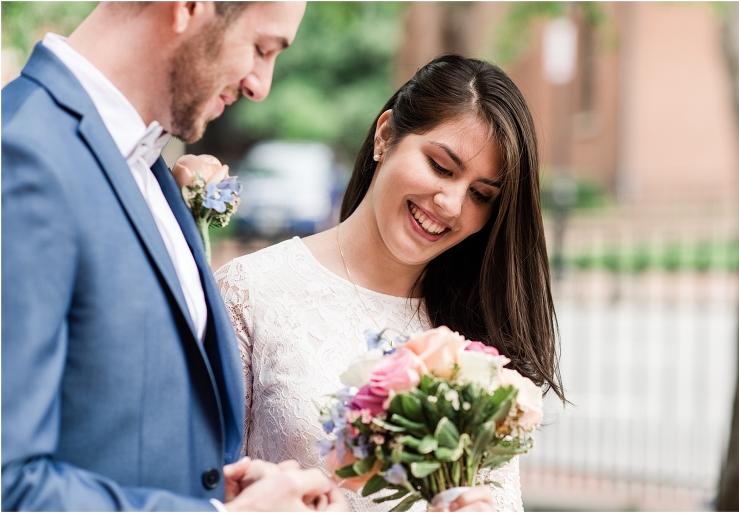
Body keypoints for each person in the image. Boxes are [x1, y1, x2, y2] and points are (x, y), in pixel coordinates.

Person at [2, 2, 348, 511]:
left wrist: (215, 489)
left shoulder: (146, 167)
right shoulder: (23, 157)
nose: (261, 86)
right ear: (188, 7)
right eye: (261, 48)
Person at [214, 54, 564, 511]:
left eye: (481, 195)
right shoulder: (250, 290)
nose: (452, 204)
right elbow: (205, 489)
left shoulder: (474, 336)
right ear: (385, 136)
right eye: (441, 166)